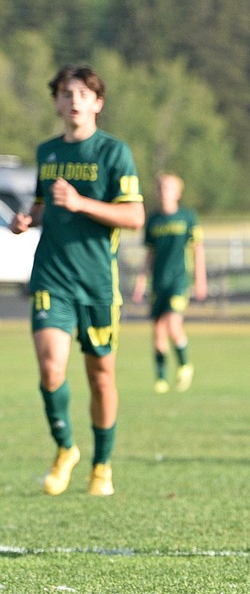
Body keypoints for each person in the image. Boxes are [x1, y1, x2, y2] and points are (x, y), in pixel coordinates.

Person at [10, 64, 144, 497]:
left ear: (97, 104)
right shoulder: (47, 152)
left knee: (101, 375)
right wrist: (28, 219)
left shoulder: (113, 153)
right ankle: (65, 448)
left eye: (82, 94)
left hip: (98, 283)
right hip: (51, 276)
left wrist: (83, 203)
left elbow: (135, 217)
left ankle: (102, 464)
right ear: (57, 102)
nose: (73, 102)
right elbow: (43, 207)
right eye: (66, 94)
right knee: (51, 368)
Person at [132, 173, 207, 393]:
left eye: (169, 188)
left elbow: (198, 250)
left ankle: (184, 365)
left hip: (178, 281)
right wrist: (141, 281)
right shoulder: (154, 220)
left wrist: (200, 280)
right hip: (158, 283)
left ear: (177, 193)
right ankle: (161, 378)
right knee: (157, 330)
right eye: (161, 188)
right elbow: (149, 255)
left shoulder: (187, 217)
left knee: (173, 324)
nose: (164, 192)